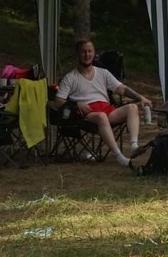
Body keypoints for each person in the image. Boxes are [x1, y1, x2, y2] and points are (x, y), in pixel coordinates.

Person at [55, 37, 151, 167]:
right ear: (78, 54)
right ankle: (119, 156)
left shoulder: (102, 73)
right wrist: (75, 104)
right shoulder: (70, 78)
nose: (87, 55)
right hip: (87, 114)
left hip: (106, 109)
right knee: (101, 116)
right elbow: (58, 101)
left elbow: (121, 88)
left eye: (90, 51)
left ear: (94, 53)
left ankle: (134, 146)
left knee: (132, 107)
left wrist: (140, 97)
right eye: (83, 52)